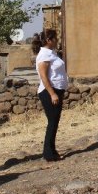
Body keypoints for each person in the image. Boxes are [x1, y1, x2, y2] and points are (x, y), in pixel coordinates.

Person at [36, 29, 67, 162]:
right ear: (49, 40)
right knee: (52, 122)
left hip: (56, 90)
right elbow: (44, 76)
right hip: (49, 91)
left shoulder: (50, 53)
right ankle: (48, 154)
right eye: (54, 38)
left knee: (54, 122)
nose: (56, 40)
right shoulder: (44, 55)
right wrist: (53, 94)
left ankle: (52, 151)